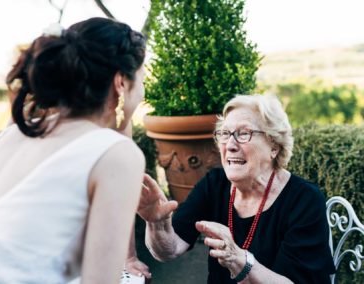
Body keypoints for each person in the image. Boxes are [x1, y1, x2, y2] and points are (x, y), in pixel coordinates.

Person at [0, 17, 147, 284]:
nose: (142, 92)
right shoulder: (115, 154)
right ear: (121, 82)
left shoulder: (13, 135)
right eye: (141, 79)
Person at [138, 94, 336, 283]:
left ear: (274, 146)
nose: (230, 145)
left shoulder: (304, 201)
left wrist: (240, 261)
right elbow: (170, 249)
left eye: (244, 133)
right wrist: (157, 223)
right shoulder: (215, 184)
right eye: (225, 133)